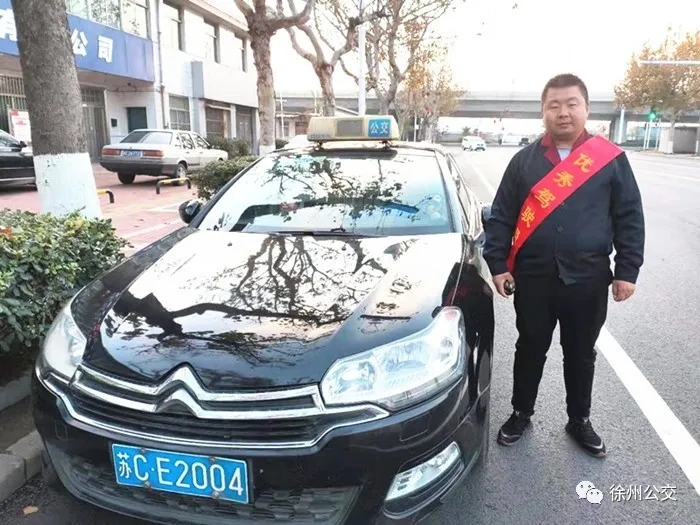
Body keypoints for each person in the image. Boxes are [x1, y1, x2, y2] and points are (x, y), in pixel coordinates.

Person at [483, 73, 645, 457]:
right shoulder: (523, 162)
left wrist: (627, 271)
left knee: (581, 353)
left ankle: (579, 420)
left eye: (572, 104)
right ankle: (521, 413)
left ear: (586, 109)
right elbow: (502, 216)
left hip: (588, 279)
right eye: (554, 105)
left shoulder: (610, 160)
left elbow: (629, 217)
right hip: (534, 278)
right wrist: (498, 264)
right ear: (543, 112)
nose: (563, 112)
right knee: (529, 347)